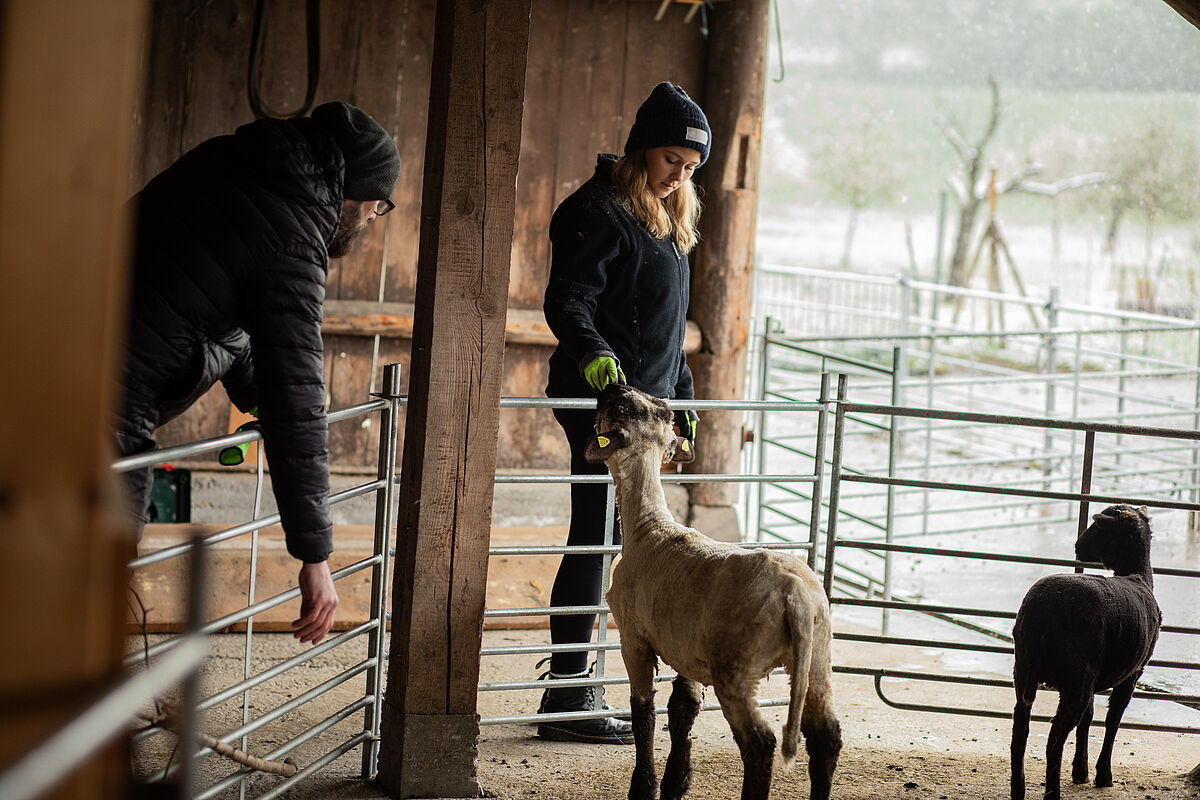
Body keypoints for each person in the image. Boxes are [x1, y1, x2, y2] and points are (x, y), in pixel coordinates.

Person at [116, 101, 401, 646]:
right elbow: (295, 390)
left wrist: (256, 396)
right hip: (97, 401)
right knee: (87, 577)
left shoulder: (235, 167)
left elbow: (213, 311)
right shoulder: (292, 234)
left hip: (55, 360)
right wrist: (315, 557)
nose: (371, 219)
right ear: (361, 195)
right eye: (377, 207)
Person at [539, 82, 709, 744]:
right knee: (597, 532)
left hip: (647, 406)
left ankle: (577, 684)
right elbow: (569, 300)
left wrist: (683, 402)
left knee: (613, 537)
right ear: (643, 148)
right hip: (605, 403)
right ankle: (569, 692)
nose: (679, 175)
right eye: (671, 159)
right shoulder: (600, 212)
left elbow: (666, 331)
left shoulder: (665, 224)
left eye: (691, 167)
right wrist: (595, 360)